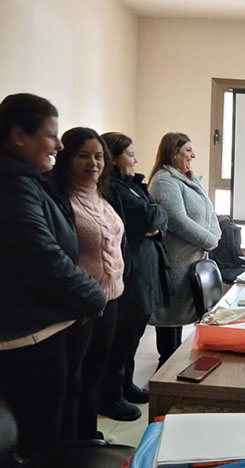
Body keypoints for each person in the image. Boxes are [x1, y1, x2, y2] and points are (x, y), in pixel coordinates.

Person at [0, 94, 106, 461]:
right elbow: (42, 256)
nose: (58, 146)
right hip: (28, 336)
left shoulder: (29, 180)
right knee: (39, 439)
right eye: (51, 135)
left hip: (45, 327)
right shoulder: (12, 184)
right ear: (18, 135)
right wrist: (94, 295)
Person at [50, 127, 125, 439]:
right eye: (83, 155)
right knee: (74, 378)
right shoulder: (58, 200)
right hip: (80, 306)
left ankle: (89, 433)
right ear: (66, 158)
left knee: (96, 371)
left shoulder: (101, 194)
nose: (93, 163)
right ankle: (71, 442)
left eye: (98, 156)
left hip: (112, 298)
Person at [98, 132, 170, 421]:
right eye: (130, 154)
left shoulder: (134, 186)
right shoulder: (112, 189)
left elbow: (160, 216)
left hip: (146, 272)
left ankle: (126, 384)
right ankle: (110, 396)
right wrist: (154, 216)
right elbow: (148, 218)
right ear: (114, 159)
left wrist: (155, 217)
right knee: (121, 338)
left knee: (134, 335)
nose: (136, 159)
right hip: (130, 274)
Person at [148, 132, 221, 368]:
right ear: (173, 153)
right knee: (170, 318)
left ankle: (174, 366)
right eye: (188, 150)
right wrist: (209, 239)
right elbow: (178, 220)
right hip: (175, 261)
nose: (193, 155)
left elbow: (209, 211)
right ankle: (165, 371)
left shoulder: (188, 179)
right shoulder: (164, 181)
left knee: (180, 317)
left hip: (192, 258)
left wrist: (215, 233)